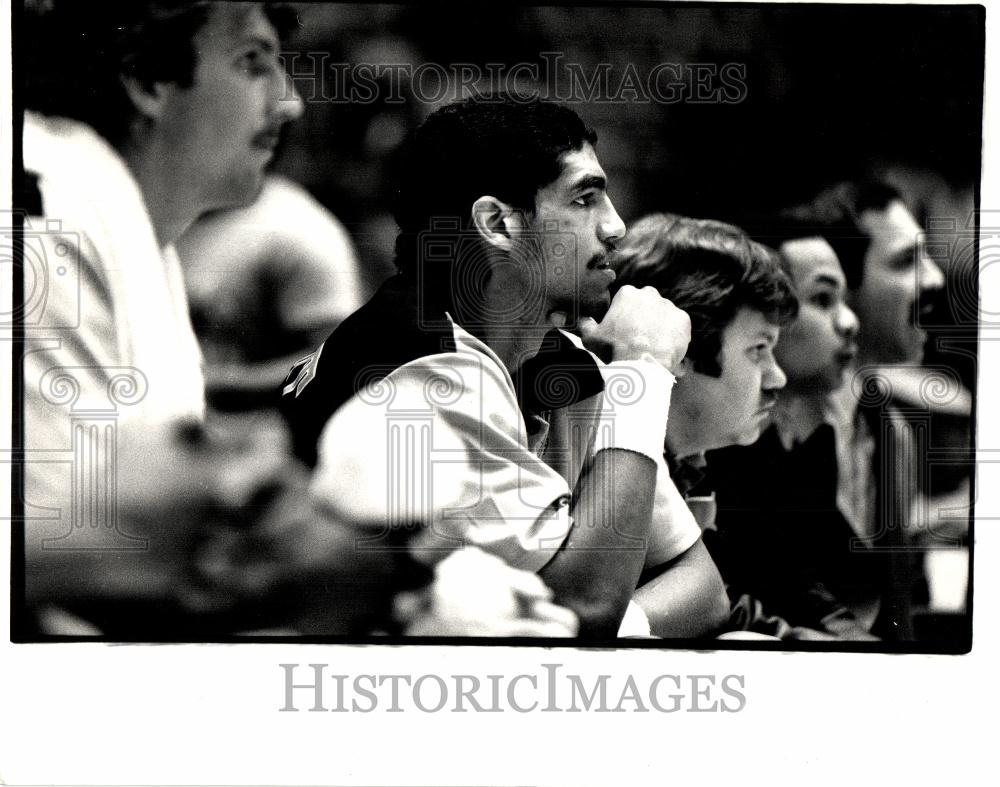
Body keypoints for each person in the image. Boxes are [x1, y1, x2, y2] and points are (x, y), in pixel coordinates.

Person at [281, 94, 730, 639]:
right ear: (497, 223)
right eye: (585, 199)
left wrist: (605, 623)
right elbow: (588, 599)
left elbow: (702, 590)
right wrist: (643, 374)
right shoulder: (422, 370)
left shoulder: (567, 361)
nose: (615, 228)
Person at [610, 214, 801, 636]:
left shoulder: (689, 462)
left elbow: (732, 608)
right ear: (684, 351)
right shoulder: (609, 452)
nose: (777, 377)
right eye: (758, 349)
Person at [704, 214, 880, 638]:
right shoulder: (720, 445)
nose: (849, 321)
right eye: (822, 300)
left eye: (844, 301)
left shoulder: (814, 440)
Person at [177, 174, 366, 412]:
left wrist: (215, 384)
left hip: (255, 437)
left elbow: (337, 361)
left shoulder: (301, 230)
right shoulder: (160, 209)